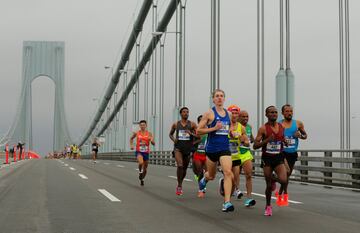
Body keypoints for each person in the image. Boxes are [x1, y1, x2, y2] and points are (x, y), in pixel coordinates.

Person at [197, 89, 234, 212]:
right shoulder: (209, 113)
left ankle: (227, 202)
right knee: (211, 176)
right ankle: (204, 179)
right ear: (213, 99)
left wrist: (232, 133)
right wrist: (214, 128)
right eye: (217, 96)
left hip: (224, 148)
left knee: (228, 173)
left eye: (221, 96)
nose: (219, 98)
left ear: (224, 99)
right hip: (212, 149)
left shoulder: (228, 114)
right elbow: (199, 131)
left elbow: (229, 129)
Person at [253, 106, 287, 216]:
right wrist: (267, 140)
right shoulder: (263, 128)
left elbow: (282, 138)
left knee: (283, 180)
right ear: (266, 115)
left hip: (278, 157)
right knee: (268, 185)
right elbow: (255, 146)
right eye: (271, 112)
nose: (274, 114)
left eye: (275, 112)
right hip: (267, 158)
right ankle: (268, 206)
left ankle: (274, 180)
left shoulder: (282, 127)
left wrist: (284, 142)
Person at [277, 104, 307, 206]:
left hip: (292, 152)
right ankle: (285, 194)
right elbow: (275, 138)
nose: (289, 113)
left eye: (291, 111)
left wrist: (300, 135)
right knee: (286, 173)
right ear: (282, 113)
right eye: (287, 111)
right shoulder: (279, 124)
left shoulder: (298, 124)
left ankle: (280, 193)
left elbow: (305, 136)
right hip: (282, 152)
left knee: (287, 175)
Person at [169, 107, 197, 195]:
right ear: (181, 114)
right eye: (184, 112)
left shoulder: (192, 124)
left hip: (187, 149)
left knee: (184, 168)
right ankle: (179, 185)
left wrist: (191, 134)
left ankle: (180, 182)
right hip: (178, 148)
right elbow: (170, 134)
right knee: (180, 166)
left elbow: (198, 137)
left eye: (187, 112)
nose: (186, 113)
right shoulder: (176, 124)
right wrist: (174, 140)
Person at [238, 110, 256, 207]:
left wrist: (253, 140)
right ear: (238, 117)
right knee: (234, 176)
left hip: (246, 153)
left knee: (249, 175)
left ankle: (249, 198)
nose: (245, 118)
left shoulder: (249, 127)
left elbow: (251, 139)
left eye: (247, 116)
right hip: (235, 153)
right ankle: (236, 189)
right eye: (243, 116)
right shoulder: (235, 126)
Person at [130, 120, 155, 186]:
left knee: (145, 169)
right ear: (139, 126)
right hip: (139, 151)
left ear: (146, 126)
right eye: (141, 125)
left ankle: (142, 179)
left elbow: (153, 142)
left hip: (146, 152)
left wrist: (152, 142)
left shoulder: (149, 133)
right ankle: (140, 171)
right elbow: (131, 139)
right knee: (141, 162)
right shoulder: (137, 133)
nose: (142, 126)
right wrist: (131, 145)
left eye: (143, 125)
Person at [192, 115, 207, 198]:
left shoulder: (209, 131)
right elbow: (191, 142)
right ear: (198, 122)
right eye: (200, 121)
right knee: (200, 172)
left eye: (204, 120)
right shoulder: (196, 132)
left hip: (207, 155)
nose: (203, 122)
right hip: (197, 154)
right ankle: (201, 188)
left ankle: (203, 183)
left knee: (207, 173)